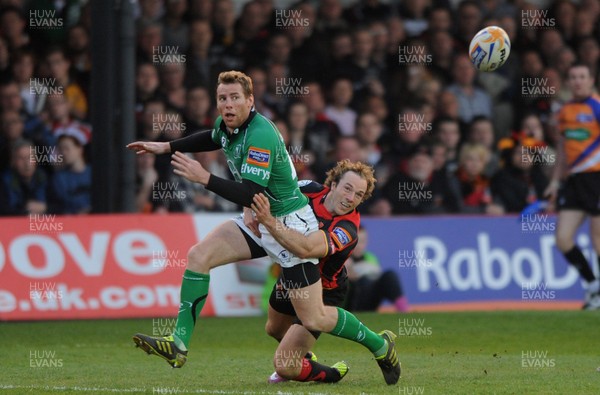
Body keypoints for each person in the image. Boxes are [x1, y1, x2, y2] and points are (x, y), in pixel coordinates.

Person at [126, 70, 399, 384]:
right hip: (260, 217)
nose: (227, 105)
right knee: (199, 256)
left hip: (288, 227)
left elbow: (252, 191)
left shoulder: (261, 135)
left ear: (250, 101)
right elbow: (212, 137)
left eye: (235, 98)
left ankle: (379, 344)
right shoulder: (227, 127)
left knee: (314, 318)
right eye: (222, 99)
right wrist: (168, 146)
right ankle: (178, 344)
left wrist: (205, 179)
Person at [257, 160, 376, 383]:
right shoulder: (308, 189)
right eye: (347, 188)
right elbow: (265, 190)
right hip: (293, 275)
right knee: (273, 329)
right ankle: (303, 358)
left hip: (325, 290)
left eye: (358, 195)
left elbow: (308, 250)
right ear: (333, 185)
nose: (350, 198)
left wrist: (269, 223)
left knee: (284, 366)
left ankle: (333, 372)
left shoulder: (347, 228)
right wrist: (250, 209)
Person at [545, 63, 600, 310]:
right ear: (568, 82)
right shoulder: (564, 111)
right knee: (563, 238)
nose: (578, 81)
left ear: (591, 80)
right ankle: (593, 285)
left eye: (582, 77)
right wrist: (556, 181)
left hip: (597, 178)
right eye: (573, 77)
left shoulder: (597, 106)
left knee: (598, 238)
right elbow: (562, 150)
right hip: (575, 181)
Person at [345, 226, 408, 313]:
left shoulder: (370, 257)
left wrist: (358, 269)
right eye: (356, 241)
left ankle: (404, 311)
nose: (359, 245)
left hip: (368, 300)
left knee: (389, 275)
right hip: (349, 303)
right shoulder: (343, 258)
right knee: (363, 280)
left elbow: (376, 274)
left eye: (362, 241)